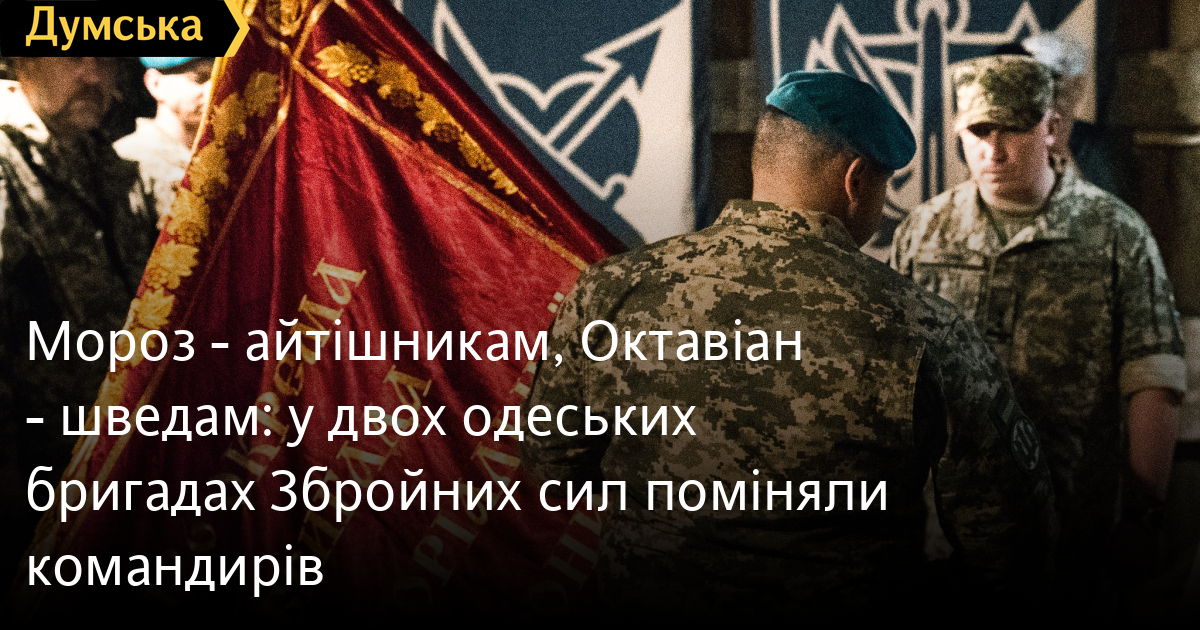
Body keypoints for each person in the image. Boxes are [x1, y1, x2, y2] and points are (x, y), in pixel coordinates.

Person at [521, 70, 1056, 616]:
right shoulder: (925, 328)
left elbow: (551, 469)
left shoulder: (612, 290)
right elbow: (1011, 541)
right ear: (856, 180)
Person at [890, 55, 1186, 601]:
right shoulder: (924, 232)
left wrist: (1145, 513)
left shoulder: (1115, 233)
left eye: (1013, 130)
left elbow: (1153, 379)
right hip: (946, 533)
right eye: (979, 132)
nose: (993, 150)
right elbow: (893, 378)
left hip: (1074, 526)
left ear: (1050, 127)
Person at [0, 57, 159, 587]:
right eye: (71, 55)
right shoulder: (7, 162)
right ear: (20, 61)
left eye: (105, 57)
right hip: (42, 479)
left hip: (123, 459)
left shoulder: (103, 157)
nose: (93, 75)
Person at [114, 57, 212, 227]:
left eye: (218, 78)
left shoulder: (226, 155)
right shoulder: (128, 159)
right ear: (156, 84)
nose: (212, 90)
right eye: (199, 79)